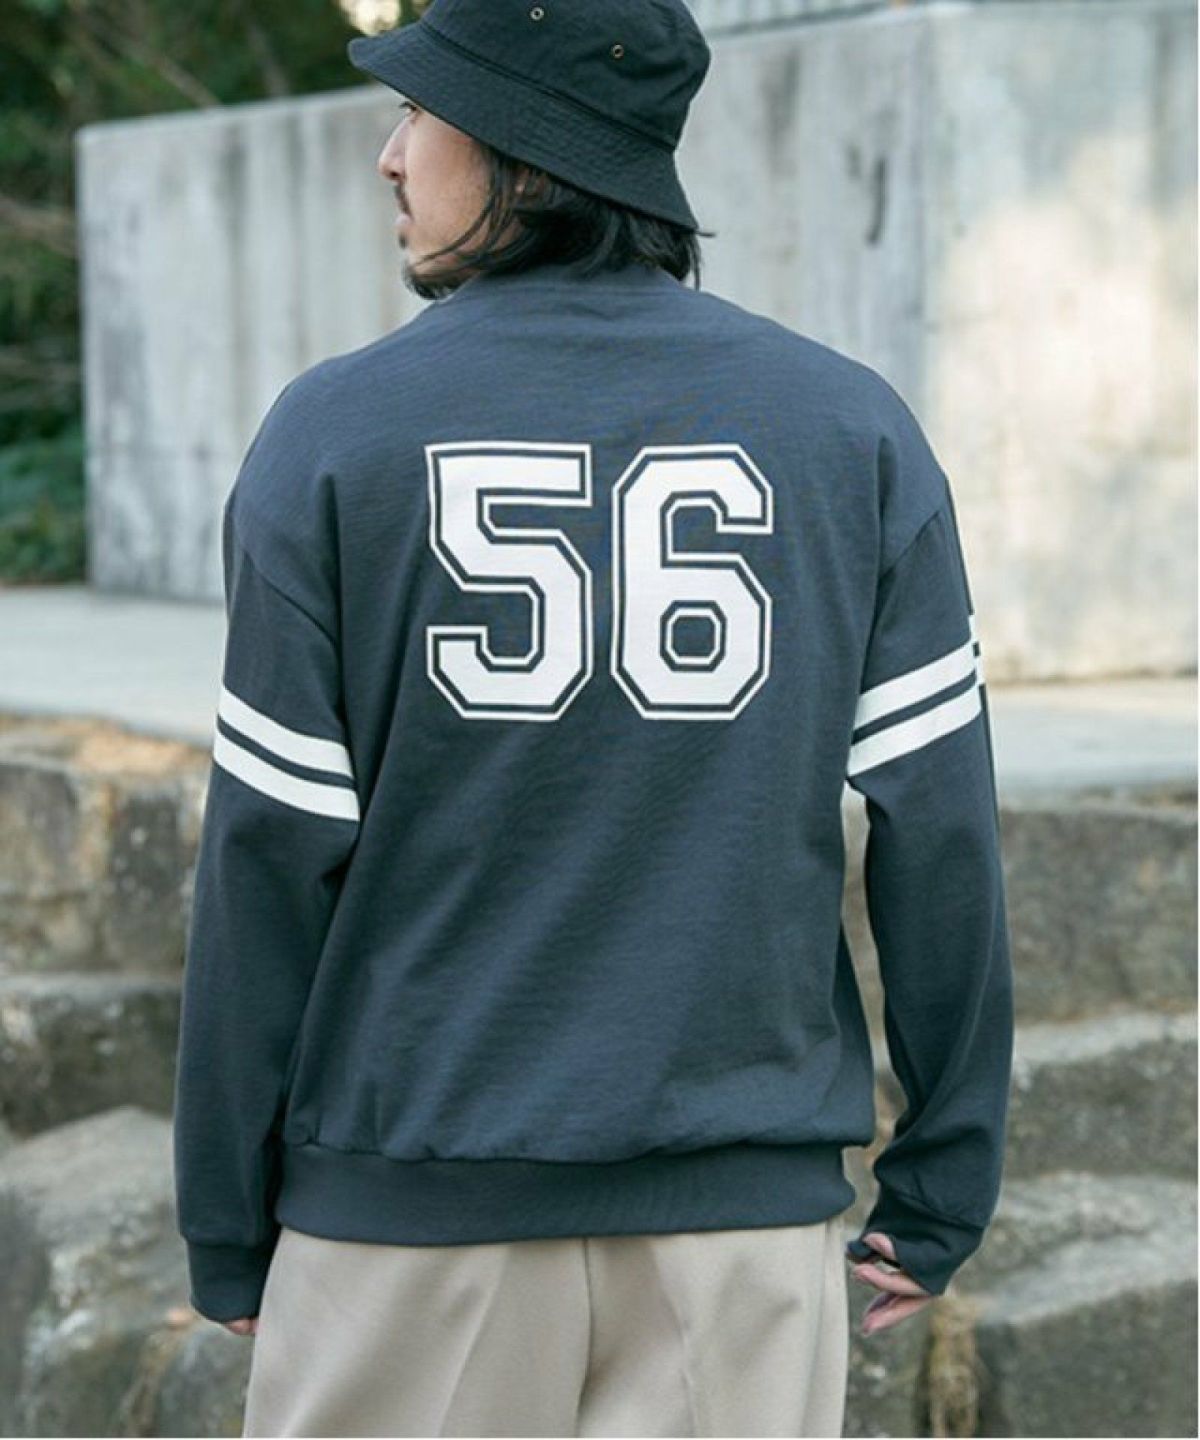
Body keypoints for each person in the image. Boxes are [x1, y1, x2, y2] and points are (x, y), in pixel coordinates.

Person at [171, 0, 1015, 1434]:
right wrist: (942, 1182)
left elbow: (268, 854)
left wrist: (226, 1213)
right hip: (738, 1238)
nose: (390, 155)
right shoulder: (852, 432)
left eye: (421, 113)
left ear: (522, 146)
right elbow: (940, 836)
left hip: (407, 1221)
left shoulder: (335, 434)